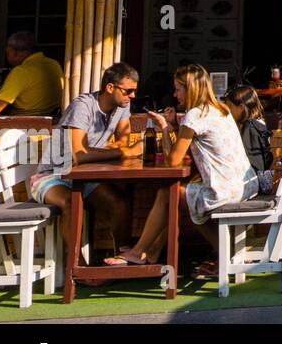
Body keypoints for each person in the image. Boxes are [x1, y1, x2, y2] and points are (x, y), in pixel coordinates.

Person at [105, 65, 258, 271]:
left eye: (178, 89)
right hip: (243, 185)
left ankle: (138, 252)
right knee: (183, 195)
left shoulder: (194, 115)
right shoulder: (220, 109)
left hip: (226, 191)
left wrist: (166, 128)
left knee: (169, 193)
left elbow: (172, 162)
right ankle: (218, 254)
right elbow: (194, 145)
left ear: (191, 89)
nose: (175, 94)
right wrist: (175, 127)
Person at [28, 63, 139, 259]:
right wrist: (124, 153)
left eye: (134, 91)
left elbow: (123, 141)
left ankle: (122, 258)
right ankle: (77, 267)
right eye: (128, 91)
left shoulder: (123, 105)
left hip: (84, 176)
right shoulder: (83, 106)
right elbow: (79, 154)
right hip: (53, 174)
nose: (132, 96)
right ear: (110, 87)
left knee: (119, 202)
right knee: (72, 202)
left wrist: (120, 150)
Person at [0, 31, 63, 117]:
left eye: (7, 52)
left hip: (23, 125)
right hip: (51, 122)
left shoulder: (21, 72)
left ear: (15, 52)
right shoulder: (54, 64)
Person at [224, 85, 276, 193]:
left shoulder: (250, 128)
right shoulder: (258, 125)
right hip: (257, 182)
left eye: (230, 107)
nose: (227, 112)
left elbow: (254, 165)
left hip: (251, 185)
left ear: (241, 107)